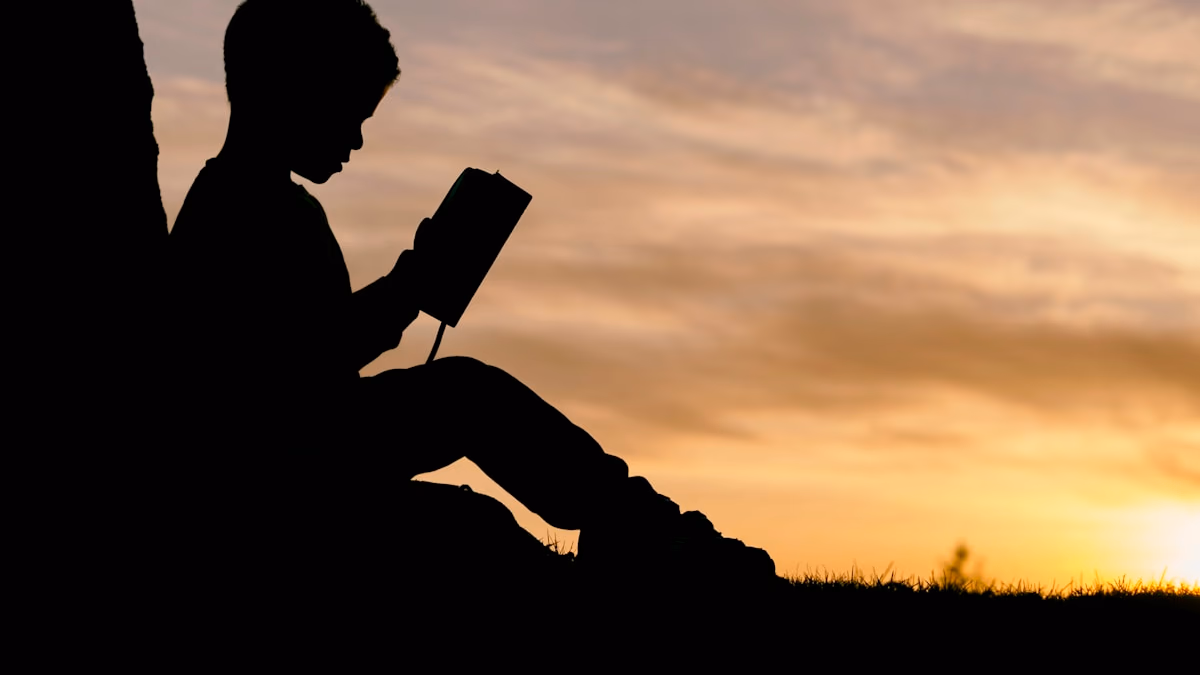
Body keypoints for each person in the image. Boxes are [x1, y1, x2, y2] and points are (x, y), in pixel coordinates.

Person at [166, 0, 774, 583]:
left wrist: (411, 285)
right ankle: (655, 538)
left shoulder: (270, 203)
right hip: (274, 482)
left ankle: (647, 536)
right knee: (467, 419)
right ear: (294, 89)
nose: (355, 140)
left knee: (469, 453)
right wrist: (411, 286)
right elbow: (293, 371)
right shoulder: (235, 210)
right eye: (349, 112)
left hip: (302, 464)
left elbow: (313, 354)